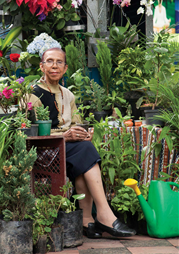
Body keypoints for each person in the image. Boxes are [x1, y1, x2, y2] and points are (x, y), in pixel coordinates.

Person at [29, 47, 136, 239]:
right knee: (84, 152)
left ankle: (87, 220)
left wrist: (83, 134)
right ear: (41, 66)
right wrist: (65, 136)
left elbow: (77, 123)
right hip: (43, 151)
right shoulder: (33, 94)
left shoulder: (67, 95)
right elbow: (32, 132)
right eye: (50, 61)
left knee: (84, 150)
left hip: (67, 149)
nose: (54, 66)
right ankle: (103, 213)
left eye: (59, 62)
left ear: (65, 67)